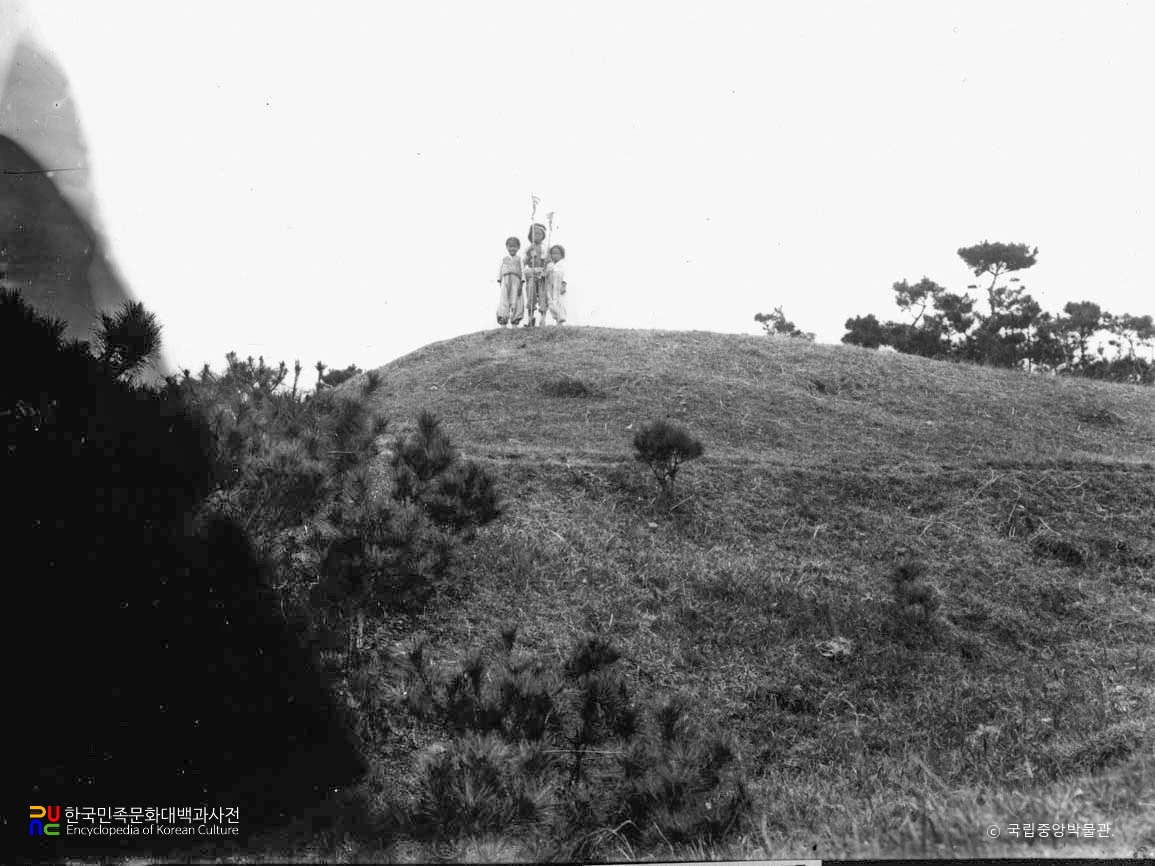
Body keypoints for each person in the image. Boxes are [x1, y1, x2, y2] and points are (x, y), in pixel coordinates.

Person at [522, 222, 548, 327]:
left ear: (542, 236)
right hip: (531, 272)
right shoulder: (528, 248)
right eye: (534, 234)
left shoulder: (545, 248)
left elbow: (547, 261)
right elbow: (523, 262)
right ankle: (530, 318)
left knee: (542, 295)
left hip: (541, 273)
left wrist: (545, 271)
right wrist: (529, 254)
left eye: (539, 234)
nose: (536, 236)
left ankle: (543, 319)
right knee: (531, 294)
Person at [495, 236, 524, 327]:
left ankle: (515, 321)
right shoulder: (504, 259)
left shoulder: (519, 259)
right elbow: (500, 269)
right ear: (507, 247)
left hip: (516, 280)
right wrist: (500, 280)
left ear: (518, 247)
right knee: (504, 299)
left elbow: (522, 270)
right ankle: (503, 321)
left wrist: (522, 283)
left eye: (514, 246)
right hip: (505, 279)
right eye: (510, 246)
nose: (512, 248)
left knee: (517, 299)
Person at [544, 244, 567, 325]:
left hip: (558, 285)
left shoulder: (562, 264)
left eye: (557, 253)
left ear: (561, 255)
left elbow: (566, 275)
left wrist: (563, 285)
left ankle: (561, 319)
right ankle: (557, 318)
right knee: (551, 302)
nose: (555, 255)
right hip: (551, 285)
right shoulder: (550, 264)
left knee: (559, 302)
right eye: (553, 254)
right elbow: (546, 274)